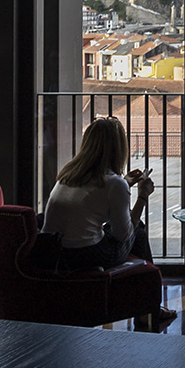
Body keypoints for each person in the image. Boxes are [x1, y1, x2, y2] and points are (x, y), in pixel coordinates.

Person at [42, 116, 175, 331]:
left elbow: (92, 201)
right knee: (138, 232)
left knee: (118, 228)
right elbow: (124, 235)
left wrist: (125, 184)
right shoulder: (114, 184)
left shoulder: (68, 174)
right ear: (118, 148)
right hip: (86, 255)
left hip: (57, 253)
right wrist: (141, 197)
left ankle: (148, 305)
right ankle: (150, 309)